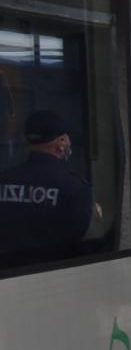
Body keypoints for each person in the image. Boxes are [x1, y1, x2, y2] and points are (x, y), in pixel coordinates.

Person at [0, 110, 96, 266]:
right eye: (67, 139)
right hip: (55, 277)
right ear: (61, 142)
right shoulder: (74, 188)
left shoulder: (4, 180)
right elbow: (83, 242)